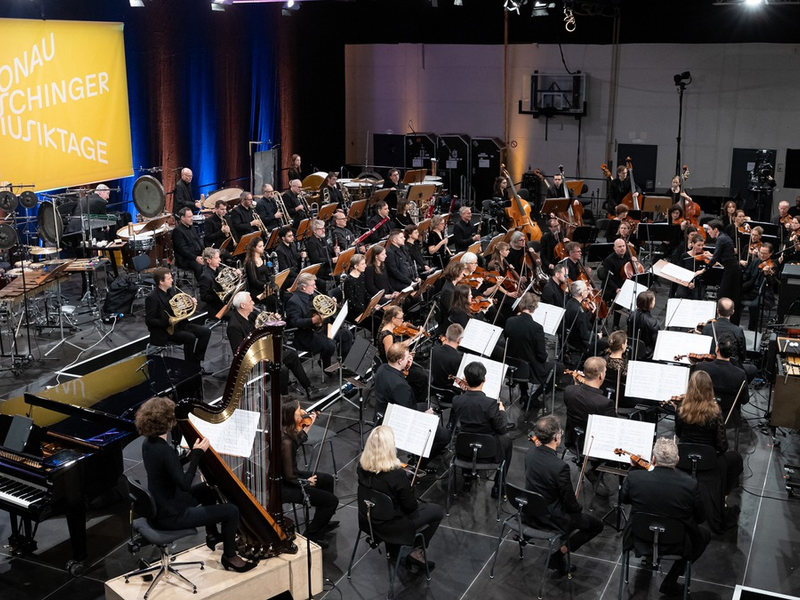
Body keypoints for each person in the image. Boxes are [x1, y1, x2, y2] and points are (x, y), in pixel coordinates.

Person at [136, 396, 255, 572]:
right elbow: (184, 484)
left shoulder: (149, 443)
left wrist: (188, 457)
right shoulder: (165, 450)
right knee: (231, 511)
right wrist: (197, 455)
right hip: (171, 516)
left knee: (208, 489)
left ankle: (212, 535)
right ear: (169, 421)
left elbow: (168, 468)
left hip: (162, 505)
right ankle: (230, 557)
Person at [621, 436, 710, 597]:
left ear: (654, 459)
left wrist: (633, 469)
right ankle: (670, 581)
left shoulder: (635, 478)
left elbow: (624, 499)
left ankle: (649, 556)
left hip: (638, 538)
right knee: (703, 535)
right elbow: (700, 517)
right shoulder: (690, 484)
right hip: (676, 542)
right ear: (677, 460)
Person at [525, 415, 604, 576]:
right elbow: (570, 503)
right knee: (596, 526)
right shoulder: (560, 467)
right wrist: (578, 509)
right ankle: (557, 556)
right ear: (556, 437)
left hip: (530, 511)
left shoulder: (530, 453)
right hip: (551, 519)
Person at [357, 426, 442, 572]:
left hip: (368, 520)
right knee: (436, 511)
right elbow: (410, 507)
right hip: (392, 526)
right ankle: (416, 551)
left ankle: (394, 550)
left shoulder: (361, 467)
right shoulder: (396, 475)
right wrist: (408, 487)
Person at [673, 371, 743, 506]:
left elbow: (679, 434)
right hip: (708, 461)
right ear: (710, 389)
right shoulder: (715, 412)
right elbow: (722, 446)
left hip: (684, 459)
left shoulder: (681, 409)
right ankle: (723, 496)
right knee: (736, 458)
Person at [371, 343, 450, 463]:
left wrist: (406, 368)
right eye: (407, 357)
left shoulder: (382, 368)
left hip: (382, 411)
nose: (410, 359)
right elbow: (409, 414)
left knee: (425, 405)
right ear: (399, 361)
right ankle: (419, 462)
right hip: (395, 420)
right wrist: (426, 415)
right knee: (445, 436)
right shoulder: (400, 386)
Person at [227, 292, 312, 399]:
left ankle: (308, 387)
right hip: (252, 361)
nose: (253, 303)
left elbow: (264, 326)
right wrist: (261, 356)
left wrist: (274, 321)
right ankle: (283, 399)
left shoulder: (252, 315)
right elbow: (239, 353)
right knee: (282, 369)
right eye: (250, 301)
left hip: (263, 353)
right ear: (243, 305)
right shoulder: (234, 326)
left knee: (292, 355)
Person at [280, 398, 338, 549]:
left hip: (292, 477)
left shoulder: (286, 431)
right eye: (298, 410)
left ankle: (322, 521)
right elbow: (289, 476)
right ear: (290, 415)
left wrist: (308, 425)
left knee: (327, 480)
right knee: (331, 501)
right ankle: (313, 536)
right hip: (286, 486)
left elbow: (297, 442)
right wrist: (306, 482)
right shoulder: (285, 442)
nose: (302, 412)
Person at [452, 361, 513, 498]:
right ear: (484, 379)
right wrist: (502, 411)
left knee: (469, 433)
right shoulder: (490, 404)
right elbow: (502, 429)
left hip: (464, 449)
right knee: (508, 441)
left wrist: (465, 391)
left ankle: (467, 478)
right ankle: (498, 486)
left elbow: (469, 406)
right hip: (488, 451)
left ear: (465, 379)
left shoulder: (457, 400)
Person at [285, 273, 353, 371]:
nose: (315, 287)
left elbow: (324, 307)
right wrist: (312, 320)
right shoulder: (294, 301)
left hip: (323, 328)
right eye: (313, 285)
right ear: (304, 287)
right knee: (329, 345)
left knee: (347, 334)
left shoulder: (314, 294)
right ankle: (326, 366)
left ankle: (344, 364)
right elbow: (294, 322)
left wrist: (331, 303)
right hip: (308, 334)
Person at [145, 268, 211, 366]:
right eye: (169, 279)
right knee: (190, 337)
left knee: (206, 332)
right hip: (165, 331)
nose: (172, 280)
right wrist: (168, 322)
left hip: (180, 324)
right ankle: (189, 366)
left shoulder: (171, 291)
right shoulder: (152, 297)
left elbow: (180, 307)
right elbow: (149, 321)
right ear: (161, 282)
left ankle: (196, 362)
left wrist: (190, 302)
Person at [504, 294, 555, 398]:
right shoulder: (537, 328)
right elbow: (542, 356)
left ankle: (524, 394)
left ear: (521, 305)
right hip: (529, 370)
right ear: (535, 307)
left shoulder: (509, 321)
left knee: (521, 354)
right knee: (558, 367)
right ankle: (533, 399)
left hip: (511, 366)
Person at [563, 357, 615, 457]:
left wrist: (576, 385)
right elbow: (611, 428)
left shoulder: (569, 390)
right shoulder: (605, 403)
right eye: (605, 371)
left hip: (572, 440)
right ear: (601, 375)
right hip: (593, 446)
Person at [694, 334, 749, 428]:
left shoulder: (701, 368)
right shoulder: (740, 374)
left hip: (702, 415)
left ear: (717, 349)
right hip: (728, 418)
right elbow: (744, 400)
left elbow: (693, 392)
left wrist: (692, 366)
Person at [375, 306, 428, 401]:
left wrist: (407, 351)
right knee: (423, 377)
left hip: (397, 361)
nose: (403, 320)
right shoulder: (387, 335)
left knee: (420, 370)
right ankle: (416, 401)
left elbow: (397, 346)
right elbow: (390, 356)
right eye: (400, 318)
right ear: (393, 319)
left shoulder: (386, 327)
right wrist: (405, 356)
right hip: (393, 368)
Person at [696, 220, 742, 325]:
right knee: (729, 296)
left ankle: (722, 322)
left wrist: (703, 270)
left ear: (715, 229)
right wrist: (712, 256)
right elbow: (722, 255)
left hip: (731, 271)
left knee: (723, 296)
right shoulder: (724, 237)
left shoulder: (721, 239)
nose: (708, 232)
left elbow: (716, 257)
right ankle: (729, 322)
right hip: (732, 270)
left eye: (709, 230)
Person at [741, 243, 777, 331]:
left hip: (764, 292)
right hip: (751, 290)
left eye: (765, 253)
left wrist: (767, 274)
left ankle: (752, 330)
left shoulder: (773, 265)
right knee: (736, 298)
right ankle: (734, 324)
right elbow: (746, 275)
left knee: (754, 306)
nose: (762, 255)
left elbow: (772, 283)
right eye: (761, 252)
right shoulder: (755, 261)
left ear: (770, 253)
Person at [600, 238, 633, 329]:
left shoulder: (627, 256)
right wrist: (616, 289)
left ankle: (631, 323)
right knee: (620, 299)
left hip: (624, 284)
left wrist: (633, 261)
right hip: (611, 287)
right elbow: (608, 279)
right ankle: (615, 324)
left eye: (623, 246)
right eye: (619, 247)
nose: (622, 248)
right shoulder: (609, 261)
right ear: (614, 248)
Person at [670, 233, 708, 300]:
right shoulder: (684, 256)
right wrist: (688, 283)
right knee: (680, 295)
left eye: (702, 245)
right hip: (685, 282)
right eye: (698, 245)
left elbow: (711, 266)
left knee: (697, 297)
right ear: (692, 244)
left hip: (698, 283)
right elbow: (680, 272)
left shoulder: (703, 256)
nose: (701, 247)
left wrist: (702, 270)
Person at [172, 207, 205, 279]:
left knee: (212, 260)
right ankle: (202, 284)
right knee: (199, 266)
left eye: (192, 216)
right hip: (185, 259)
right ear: (182, 218)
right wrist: (195, 258)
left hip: (196, 255)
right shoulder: (177, 231)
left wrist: (204, 252)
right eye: (189, 217)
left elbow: (198, 241)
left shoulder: (192, 227)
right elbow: (183, 250)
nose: (192, 218)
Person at [244, 238, 277, 310]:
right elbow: (254, 280)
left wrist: (271, 283)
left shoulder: (263, 257)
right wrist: (265, 286)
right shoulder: (250, 262)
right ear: (254, 248)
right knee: (273, 300)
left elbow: (267, 273)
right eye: (260, 246)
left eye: (263, 245)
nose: (263, 248)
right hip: (257, 291)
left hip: (265, 287)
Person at [627, 290, 659, 361]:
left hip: (632, 350)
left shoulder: (631, 316)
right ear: (649, 304)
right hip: (647, 354)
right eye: (654, 300)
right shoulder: (653, 322)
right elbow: (655, 342)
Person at [430, 323, 464, 390]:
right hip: (450, 391)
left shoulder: (434, 350)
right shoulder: (459, 359)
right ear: (459, 340)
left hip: (433, 386)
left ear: (446, 335)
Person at [305, 219, 335, 291]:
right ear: (314, 231)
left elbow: (329, 251)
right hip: (322, 269)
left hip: (328, 265)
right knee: (338, 276)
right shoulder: (312, 242)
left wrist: (335, 251)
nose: (323, 230)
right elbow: (316, 259)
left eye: (323, 228)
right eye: (320, 229)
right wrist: (331, 260)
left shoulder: (323, 238)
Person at [198, 247, 227, 318]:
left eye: (219, 257)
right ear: (209, 260)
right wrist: (220, 296)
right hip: (215, 308)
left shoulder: (220, 270)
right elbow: (204, 297)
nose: (219, 260)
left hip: (224, 303)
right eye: (216, 258)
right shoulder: (205, 276)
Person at [342, 254, 368, 319]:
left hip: (363, 307)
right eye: (362, 264)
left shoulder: (361, 275)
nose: (365, 265)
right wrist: (364, 310)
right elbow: (351, 302)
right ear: (356, 266)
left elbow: (364, 293)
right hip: (354, 312)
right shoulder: (349, 281)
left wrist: (371, 304)